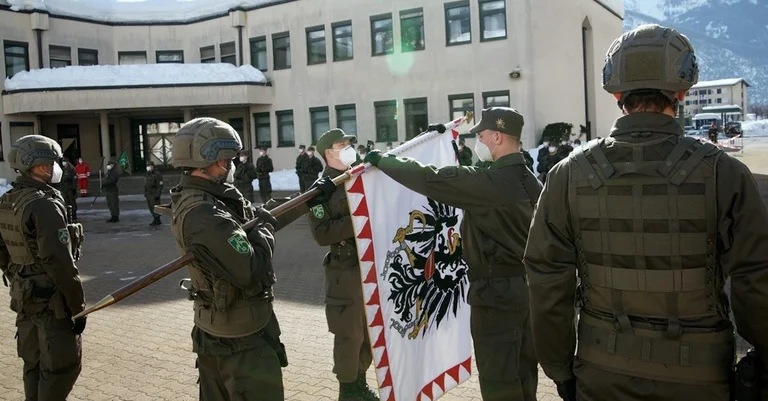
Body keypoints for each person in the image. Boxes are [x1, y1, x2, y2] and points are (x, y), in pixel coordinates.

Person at [523, 23, 768, 401]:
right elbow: (756, 279)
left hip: (600, 373)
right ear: (682, 92)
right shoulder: (724, 173)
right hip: (700, 379)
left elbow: (546, 281)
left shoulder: (567, 175)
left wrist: (559, 369)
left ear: (616, 92)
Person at [364, 107, 542, 401]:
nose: (478, 142)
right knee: (525, 373)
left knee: (500, 379)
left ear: (496, 137)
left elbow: (430, 178)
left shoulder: (488, 186)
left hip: (495, 298)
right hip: (528, 293)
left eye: (481, 136)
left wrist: (384, 160)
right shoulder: (529, 180)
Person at [168, 117, 287, 400]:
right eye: (229, 160)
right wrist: (265, 231)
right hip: (241, 340)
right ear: (218, 162)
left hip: (222, 330)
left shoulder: (203, 198)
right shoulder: (206, 214)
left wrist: (309, 199)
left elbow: (249, 219)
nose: (232, 165)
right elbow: (251, 269)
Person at [0, 135, 86, 401]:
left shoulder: (8, 199)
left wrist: (20, 274)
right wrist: (77, 307)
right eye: (50, 161)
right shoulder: (44, 204)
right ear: (39, 165)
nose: (54, 166)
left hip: (24, 297)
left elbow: (3, 251)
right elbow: (60, 263)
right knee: (61, 367)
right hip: (52, 302)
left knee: (33, 364)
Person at [308, 128, 378, 401]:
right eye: (342, 144)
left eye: (350, 143)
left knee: (369, 330)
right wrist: (361, 219)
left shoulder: (358, 175)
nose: (349, 147)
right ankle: (348, 390)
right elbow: (322, 233)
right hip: (344, 270)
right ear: (329, 153)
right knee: (350, 333)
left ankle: (359, 383)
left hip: (368, 266)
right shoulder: (319, 191)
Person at [144, 161, 164, 226]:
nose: (149, 167)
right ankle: (155, 218)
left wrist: (158, 194)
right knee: (151, 207)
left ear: (153, 166)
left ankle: (157, 219)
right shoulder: (147, 174)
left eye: (150, 166)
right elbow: (146, 184)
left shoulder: (157, 174)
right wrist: (145, 193)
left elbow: (160, 185)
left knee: (156, 207)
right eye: (148, 166)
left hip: (154, 193)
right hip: (148, 193)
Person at [60, 157, 79, 221]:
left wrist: (73, 188)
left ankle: (73, 215)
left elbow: (74, 180)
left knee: (72, 202)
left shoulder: (71, 169)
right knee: (66, 202)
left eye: (64, 161)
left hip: (70, 188)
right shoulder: (63, 169)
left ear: (67, 161)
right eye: (63, 161)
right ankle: (68, 215)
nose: (63, 163)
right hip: (65, 188)